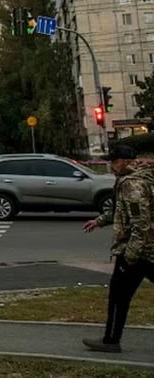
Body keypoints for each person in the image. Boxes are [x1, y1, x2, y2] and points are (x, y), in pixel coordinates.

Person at [82, 144, 154, 353]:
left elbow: (140, 223)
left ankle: (111, 341)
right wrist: (100, 221)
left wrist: (130, 256)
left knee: (118, 296)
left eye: (113, 162)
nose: (111, 166)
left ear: (124, 161)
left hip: (137, 251)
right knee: (119, 296)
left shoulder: (131, 184)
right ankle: (110, 339)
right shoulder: (143, 176)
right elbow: (121, 211)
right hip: (146, 249)